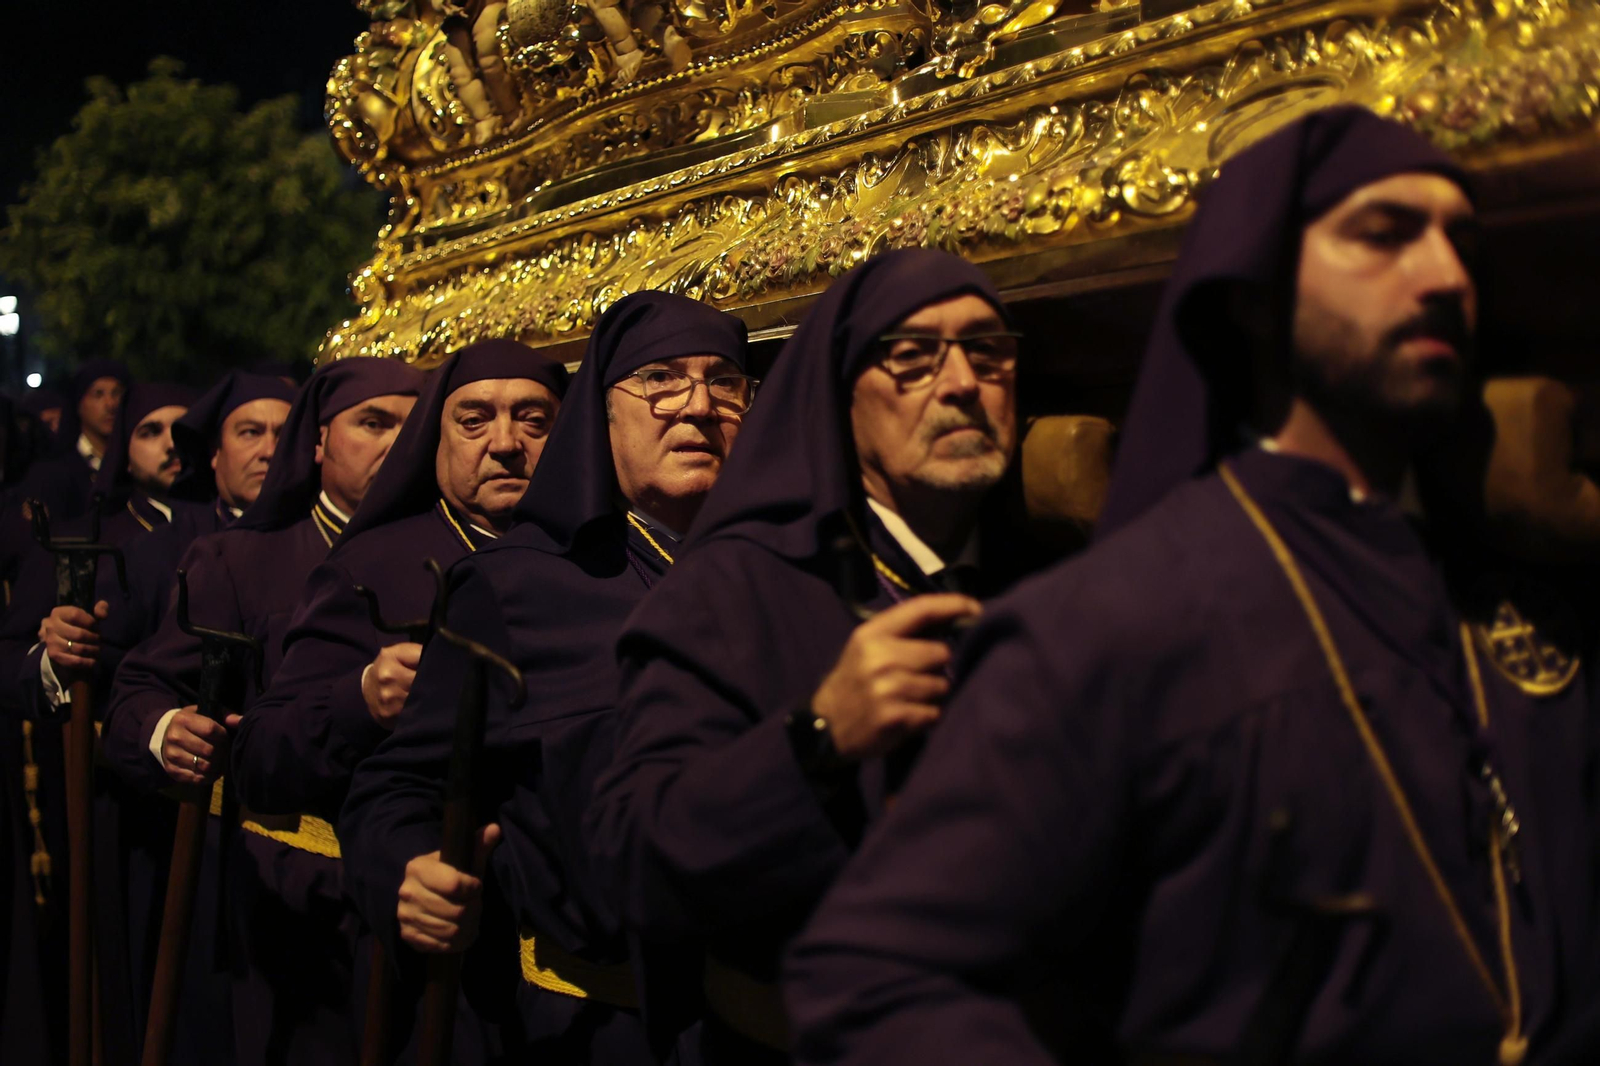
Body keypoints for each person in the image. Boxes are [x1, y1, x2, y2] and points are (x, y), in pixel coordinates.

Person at [782, 106, 1600, 1065]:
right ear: (1253, 294)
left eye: (1462, 242)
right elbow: (870, 979)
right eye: (1382, 236)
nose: (1446, 277)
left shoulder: (1520, 589)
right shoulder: (1104, 621)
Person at [584, 249, 1033, 1063]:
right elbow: (631, 860)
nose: (964, 382)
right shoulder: (730, 589)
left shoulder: (1054, 577)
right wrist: (817, 737)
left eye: (988, 351)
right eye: (912, 357)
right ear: (842, 396)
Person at [340, 293, 751, 1063]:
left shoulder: (797, 576)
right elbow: (396, 788)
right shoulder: (513, 587)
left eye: (724, 381)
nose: (698, 405)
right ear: (601, 416)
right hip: (594, 1032)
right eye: (661, 379)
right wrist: (411, 866)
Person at [234, 339, 567, 1061]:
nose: (506, 444)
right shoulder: (371, 564)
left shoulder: (593, 560)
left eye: (533, 420)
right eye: (475, 420)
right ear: (436, 441)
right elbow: (259, 752)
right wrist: (360, 700)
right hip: (416, 956)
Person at [104, 356, 421, 1066]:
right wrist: (166, 728)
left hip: (411, 903)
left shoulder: (445, 554)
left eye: (414, 425)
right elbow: (139, 691)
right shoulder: (238, 560)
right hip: (276, 898)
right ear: (318, 443)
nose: (398, 443)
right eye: (374, 423)